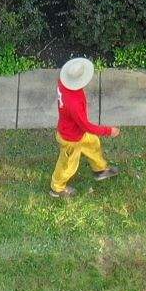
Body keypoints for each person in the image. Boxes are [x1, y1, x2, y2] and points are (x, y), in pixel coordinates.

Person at [49, 56, 117, 197]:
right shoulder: (75, 102)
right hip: (71, 138)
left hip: (76, 132)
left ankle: (100, 170)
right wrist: (109, 131)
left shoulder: (62, 82)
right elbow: (86, 126)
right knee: (68, 165)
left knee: (93, 144)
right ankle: (57, 188)